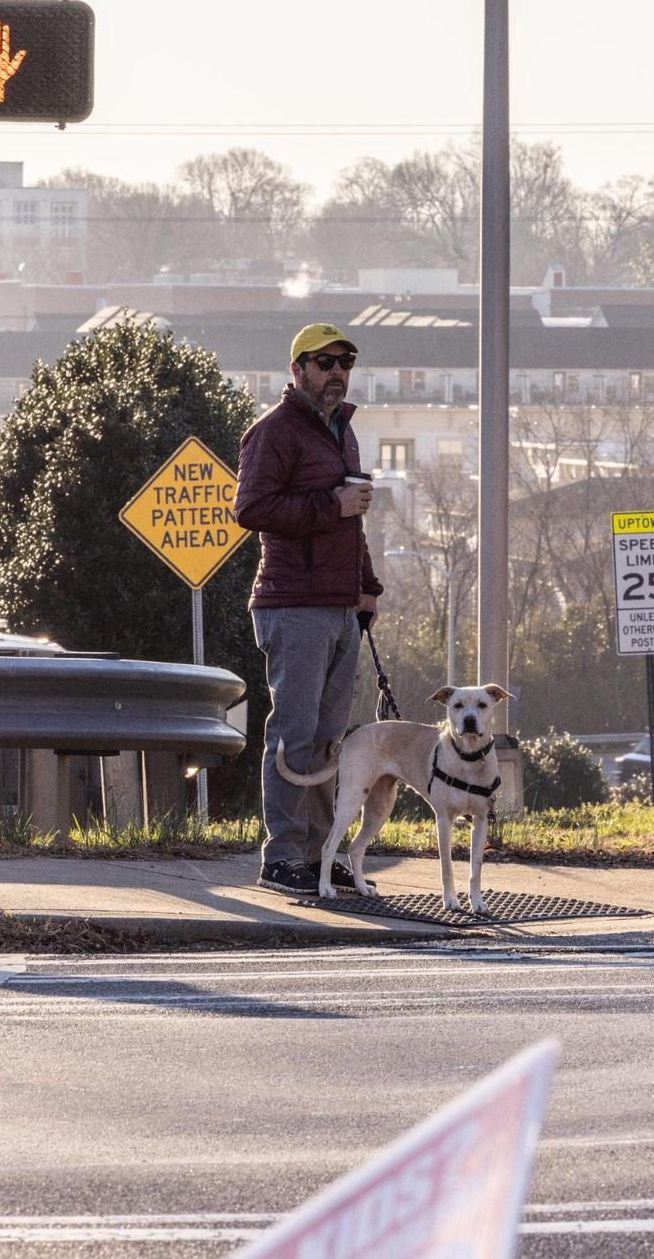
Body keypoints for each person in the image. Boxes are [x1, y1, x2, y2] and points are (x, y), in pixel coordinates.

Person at [234, 322, 383, 894]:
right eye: (324, 363)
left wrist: (366, 586)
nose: (336, 372)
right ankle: (282, 857)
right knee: (294, 735)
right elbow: (251, 509)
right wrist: (331, 503)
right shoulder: (274, 432)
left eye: (345, 362)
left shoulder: (341, 432)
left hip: (340, 606)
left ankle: (318, 857)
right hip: (292, 605)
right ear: (296, 371)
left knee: (328, 739)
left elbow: (352, 518)